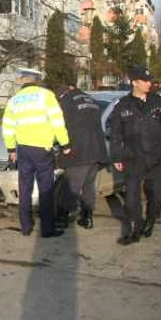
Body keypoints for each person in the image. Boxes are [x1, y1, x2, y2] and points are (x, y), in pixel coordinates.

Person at [109, 66, 161, 246]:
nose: (149, 83)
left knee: (155, 196)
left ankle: (151, 220)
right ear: (134, 82)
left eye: (150, 80)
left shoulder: (160, 103)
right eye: (145, 80)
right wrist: (116, 157)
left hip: (157, 158)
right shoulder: (122, 104)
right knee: (131, 199)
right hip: (133, 158)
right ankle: (135, 229)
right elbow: (115, 133)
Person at [2, 69, 71, 238]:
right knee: (46, 189)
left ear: (24, 81)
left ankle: (26, 226)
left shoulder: (14, 100)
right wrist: (65, 144)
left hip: (23, 149)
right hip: (43, 149)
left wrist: (11, 149)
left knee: (24, 188)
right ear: (37, 80)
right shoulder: (46, 96)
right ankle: (47, 229)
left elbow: (7, 127)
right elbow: (57, 121)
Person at [56, 82, 108, 230]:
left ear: (62, 94)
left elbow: (60, 126)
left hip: (78, 151)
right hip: (96, 150)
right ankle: (87, 218)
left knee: (72, 186)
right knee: (88, 186)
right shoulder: (91, 100)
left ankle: (62, 219)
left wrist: (62, 146)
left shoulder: (67, 101)